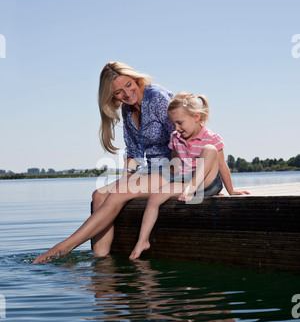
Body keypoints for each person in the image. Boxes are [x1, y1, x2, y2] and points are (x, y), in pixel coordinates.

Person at [33, 61, 177, 264]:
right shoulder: (127, 109)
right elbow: (134, 151)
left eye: (128, 85)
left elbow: (181, 138)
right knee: (99, 195)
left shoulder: (157, 97)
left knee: (119, 192)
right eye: (118, 92)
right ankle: (102, 266)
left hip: (175, 168)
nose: (126, 94)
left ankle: (64, 247)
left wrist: (190, 179)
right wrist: (125, 179)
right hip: (151, 169)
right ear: (111, 96)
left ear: (135, 79)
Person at [129, 92, 249, 260]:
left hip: (207, 181)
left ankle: (192, 188)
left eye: (180, 122)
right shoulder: (176, 137)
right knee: (155, 197)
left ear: (196, 116)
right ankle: (143, 241)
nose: (177, 127)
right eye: (174, 123)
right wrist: (166, 183)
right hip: (186, 182)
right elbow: (176, 165)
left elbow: (222, 165)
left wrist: (232, 190)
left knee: (209, 150)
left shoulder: (211, 137)